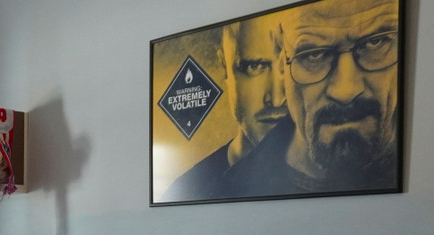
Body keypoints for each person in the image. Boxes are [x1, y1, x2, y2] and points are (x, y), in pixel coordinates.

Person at [222, 0, 401, 197]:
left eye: (375, 43)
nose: (346, 91)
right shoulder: (228, 190)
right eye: (314, 55)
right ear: (282, 62)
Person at [161, 15, 288, 202]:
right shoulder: (187, 190)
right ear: (224, 67)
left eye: (291, 63)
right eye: (255, 66)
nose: (277, 100)